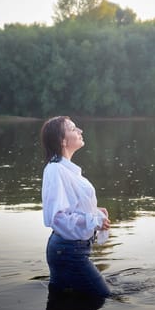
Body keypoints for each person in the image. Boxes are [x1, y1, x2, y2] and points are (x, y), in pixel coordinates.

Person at [41, 116, 111, 298]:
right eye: (73, 129)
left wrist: (94, 212)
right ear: (62, 141)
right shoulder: (56, 170)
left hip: (68, 250)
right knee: (103, 296)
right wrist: (94, 221)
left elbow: (70, 207)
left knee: (63, 300)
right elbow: (58, 218)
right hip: (68, 251)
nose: (80, 131)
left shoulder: (65, 169)